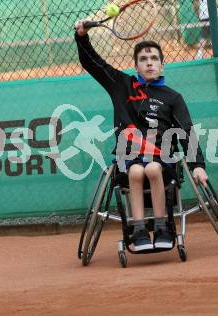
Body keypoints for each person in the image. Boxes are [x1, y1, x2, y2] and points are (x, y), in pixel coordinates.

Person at [74, 21, 208, 252]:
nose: (149, 63)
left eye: (154, 59)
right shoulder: (121, 85)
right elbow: (93, 63)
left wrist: (197, 165)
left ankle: (163, 227)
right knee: (136, 171)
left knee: (153, 169)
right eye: (144, 60)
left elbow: (187, 131)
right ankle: (138, 231)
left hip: (162, 160)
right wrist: (81, 37)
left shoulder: (173, 97)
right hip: (129, 158)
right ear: (135, 65)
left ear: (162, 65)